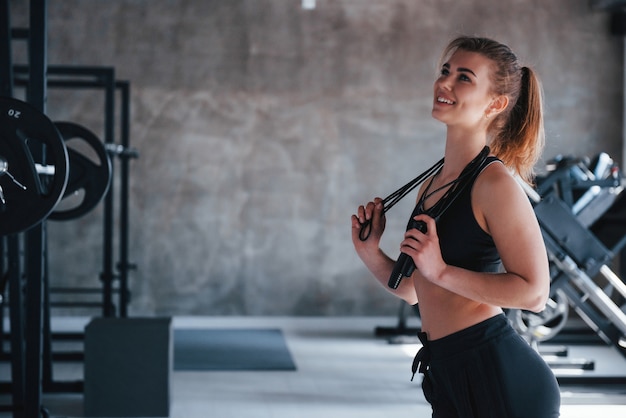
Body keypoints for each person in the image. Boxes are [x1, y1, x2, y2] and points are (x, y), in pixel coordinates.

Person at [351, 36, 561, 417]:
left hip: (496, 373)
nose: (444, 83)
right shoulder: (432, 186)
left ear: (495, 104)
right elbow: (415, 291)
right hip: (448, 371)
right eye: (445, 71)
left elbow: (534, 293)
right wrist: (371, 253)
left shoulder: (495, 184)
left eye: (463, 77)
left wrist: (442, 270)